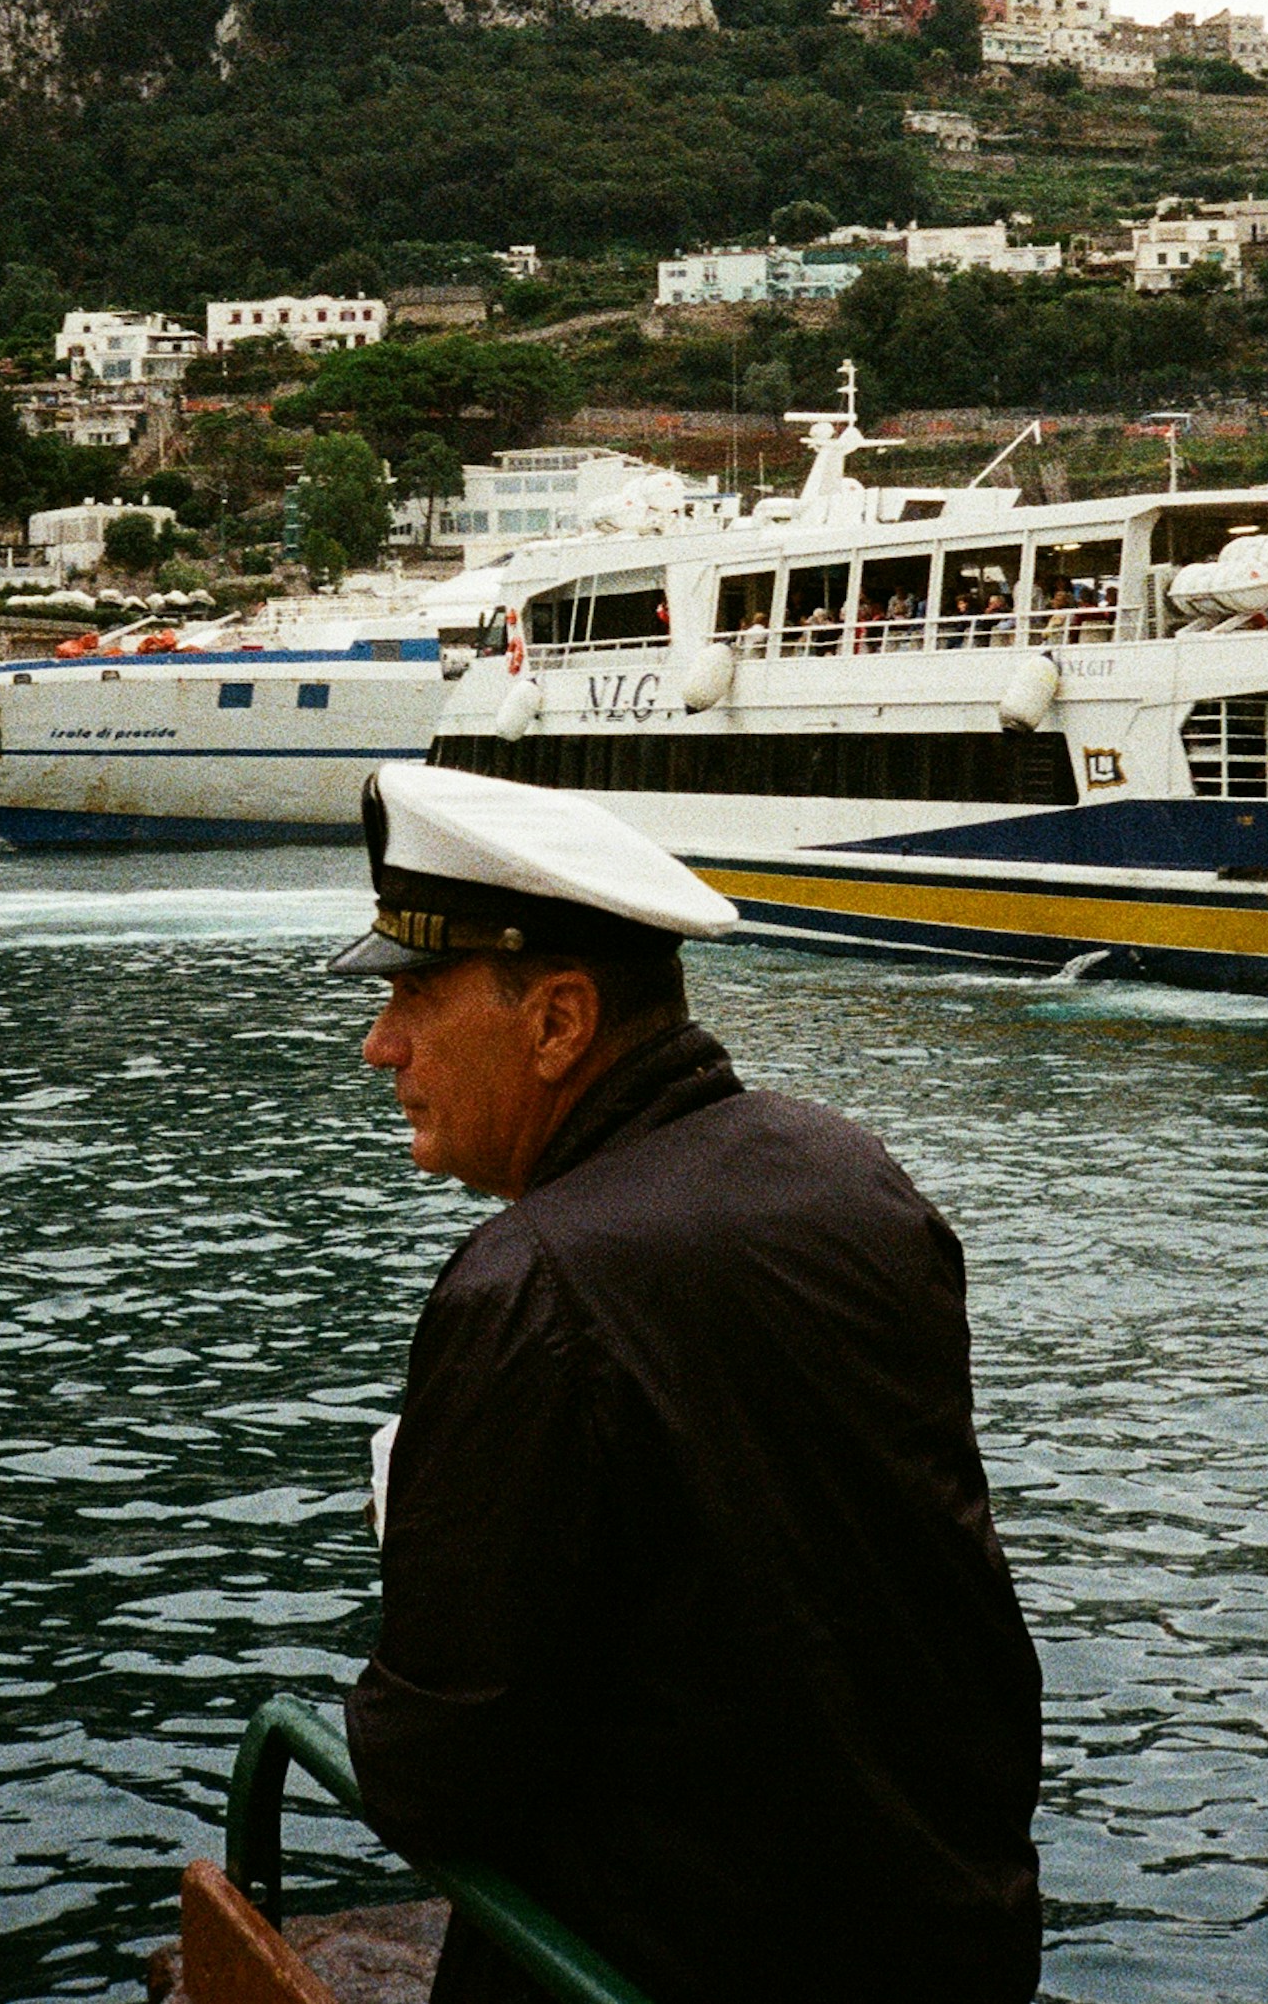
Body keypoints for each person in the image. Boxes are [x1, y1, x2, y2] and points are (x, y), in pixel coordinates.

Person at [330, 765, 1044, 2004]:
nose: (378, 1041)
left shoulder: (528, 1283)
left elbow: (432, 1771)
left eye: (412, 994)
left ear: (556, 1022)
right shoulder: (852, 1176)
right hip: (948, 1944)